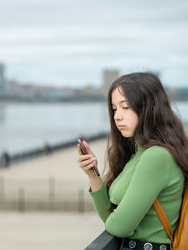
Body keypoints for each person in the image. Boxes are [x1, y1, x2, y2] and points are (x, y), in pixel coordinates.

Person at [77, 72, 188, 250]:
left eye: (125, 107)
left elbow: (118, 226)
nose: (117, 116)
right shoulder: (139, 153)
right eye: (114, 109)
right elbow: (112, 217)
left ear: (150, 107)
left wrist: (117, 220)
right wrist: (93, 175)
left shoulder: (156, 156)